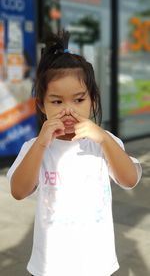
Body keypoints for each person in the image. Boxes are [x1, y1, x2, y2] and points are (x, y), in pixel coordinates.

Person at [7, 30, 142, 276]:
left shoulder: (104, 143)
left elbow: (129, 179)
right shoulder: (34, 147)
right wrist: (41, 145)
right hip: (50, 265)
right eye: (57, 102)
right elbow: (18, 191)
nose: (68, 110)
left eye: (78, 100)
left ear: (93, 100)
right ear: (42, 105)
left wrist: (102, 138)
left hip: (96, 262)